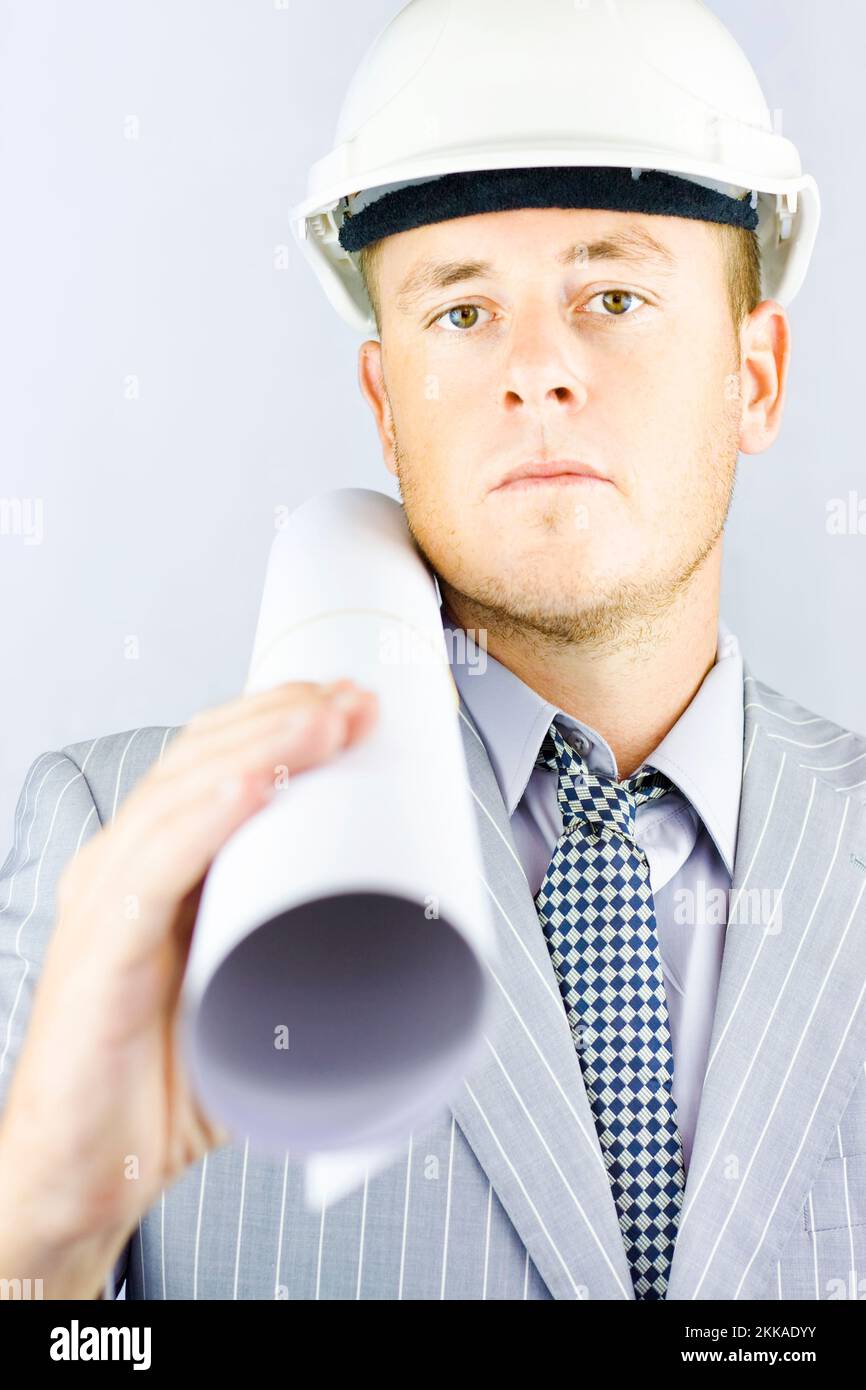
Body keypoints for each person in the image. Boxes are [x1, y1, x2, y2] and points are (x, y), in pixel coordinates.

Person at [2, 0, 865, 1302]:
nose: (535, 371)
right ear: (386, 406)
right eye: (460, 314)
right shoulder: (135, 854)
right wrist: (41, 1241)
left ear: (755, 375)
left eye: (613, 293)